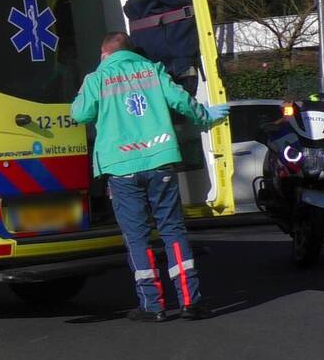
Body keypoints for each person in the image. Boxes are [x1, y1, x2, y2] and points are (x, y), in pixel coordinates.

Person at [71, 32, 229, 322]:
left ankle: (153, 306)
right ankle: (190, 302)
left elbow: (80, 114)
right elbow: (182, 102)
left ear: (104, 54)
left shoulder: (97, 79)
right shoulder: (153, 71)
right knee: (173, 231)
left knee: (137, 238)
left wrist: (88, 85)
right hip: (161, 161)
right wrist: (206, 116)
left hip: (121, 168)